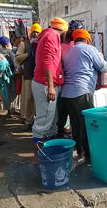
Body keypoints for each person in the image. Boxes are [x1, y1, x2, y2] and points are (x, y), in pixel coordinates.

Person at [59, 29, 107, 160]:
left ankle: (79, 151)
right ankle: (89, 154)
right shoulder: (89, 49)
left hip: (67, 94)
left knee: (75, 123)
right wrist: (102, 58)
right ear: (87, 39)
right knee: (87, 123)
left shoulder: (69, 53)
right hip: (82, 91)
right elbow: (103, 67)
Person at [31, 17, 67, 164]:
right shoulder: (52, 35)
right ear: (63, 29)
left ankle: (48, 153)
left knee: (52, 122)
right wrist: (51, 86)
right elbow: (47, 61)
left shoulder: (49, 35)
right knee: (43, 122)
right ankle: (36, 157)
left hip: (48, 83)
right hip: (46, 84)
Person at [57, 20, 85, 137]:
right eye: (73, 31)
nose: (75, 34)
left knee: (75, 113)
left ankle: (74, 135)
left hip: (75, 82)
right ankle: (59, 133)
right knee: (62, 111)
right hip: (61, 80)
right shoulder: (60, 41)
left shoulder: (78, 44)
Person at [15, 23, 42, 130]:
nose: (36, 34)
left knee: (39, 100)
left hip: (40, 77)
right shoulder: (24, 44)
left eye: (38, 32)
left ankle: (38, 121)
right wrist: (27, 54)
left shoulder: (42, 43)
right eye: (34, 32)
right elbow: (17, 57)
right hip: (28, 76)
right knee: (29, 99)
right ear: (31, 33)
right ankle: (28, 121)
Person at [0, 36, 16, 116]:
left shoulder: (13, 50)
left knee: (14, 92)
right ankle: (8, 110)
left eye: (6, 44)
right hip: (4, 76)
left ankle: (13, 108)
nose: (5, 47)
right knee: (6, 92)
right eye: (3, 45)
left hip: (14, 74)